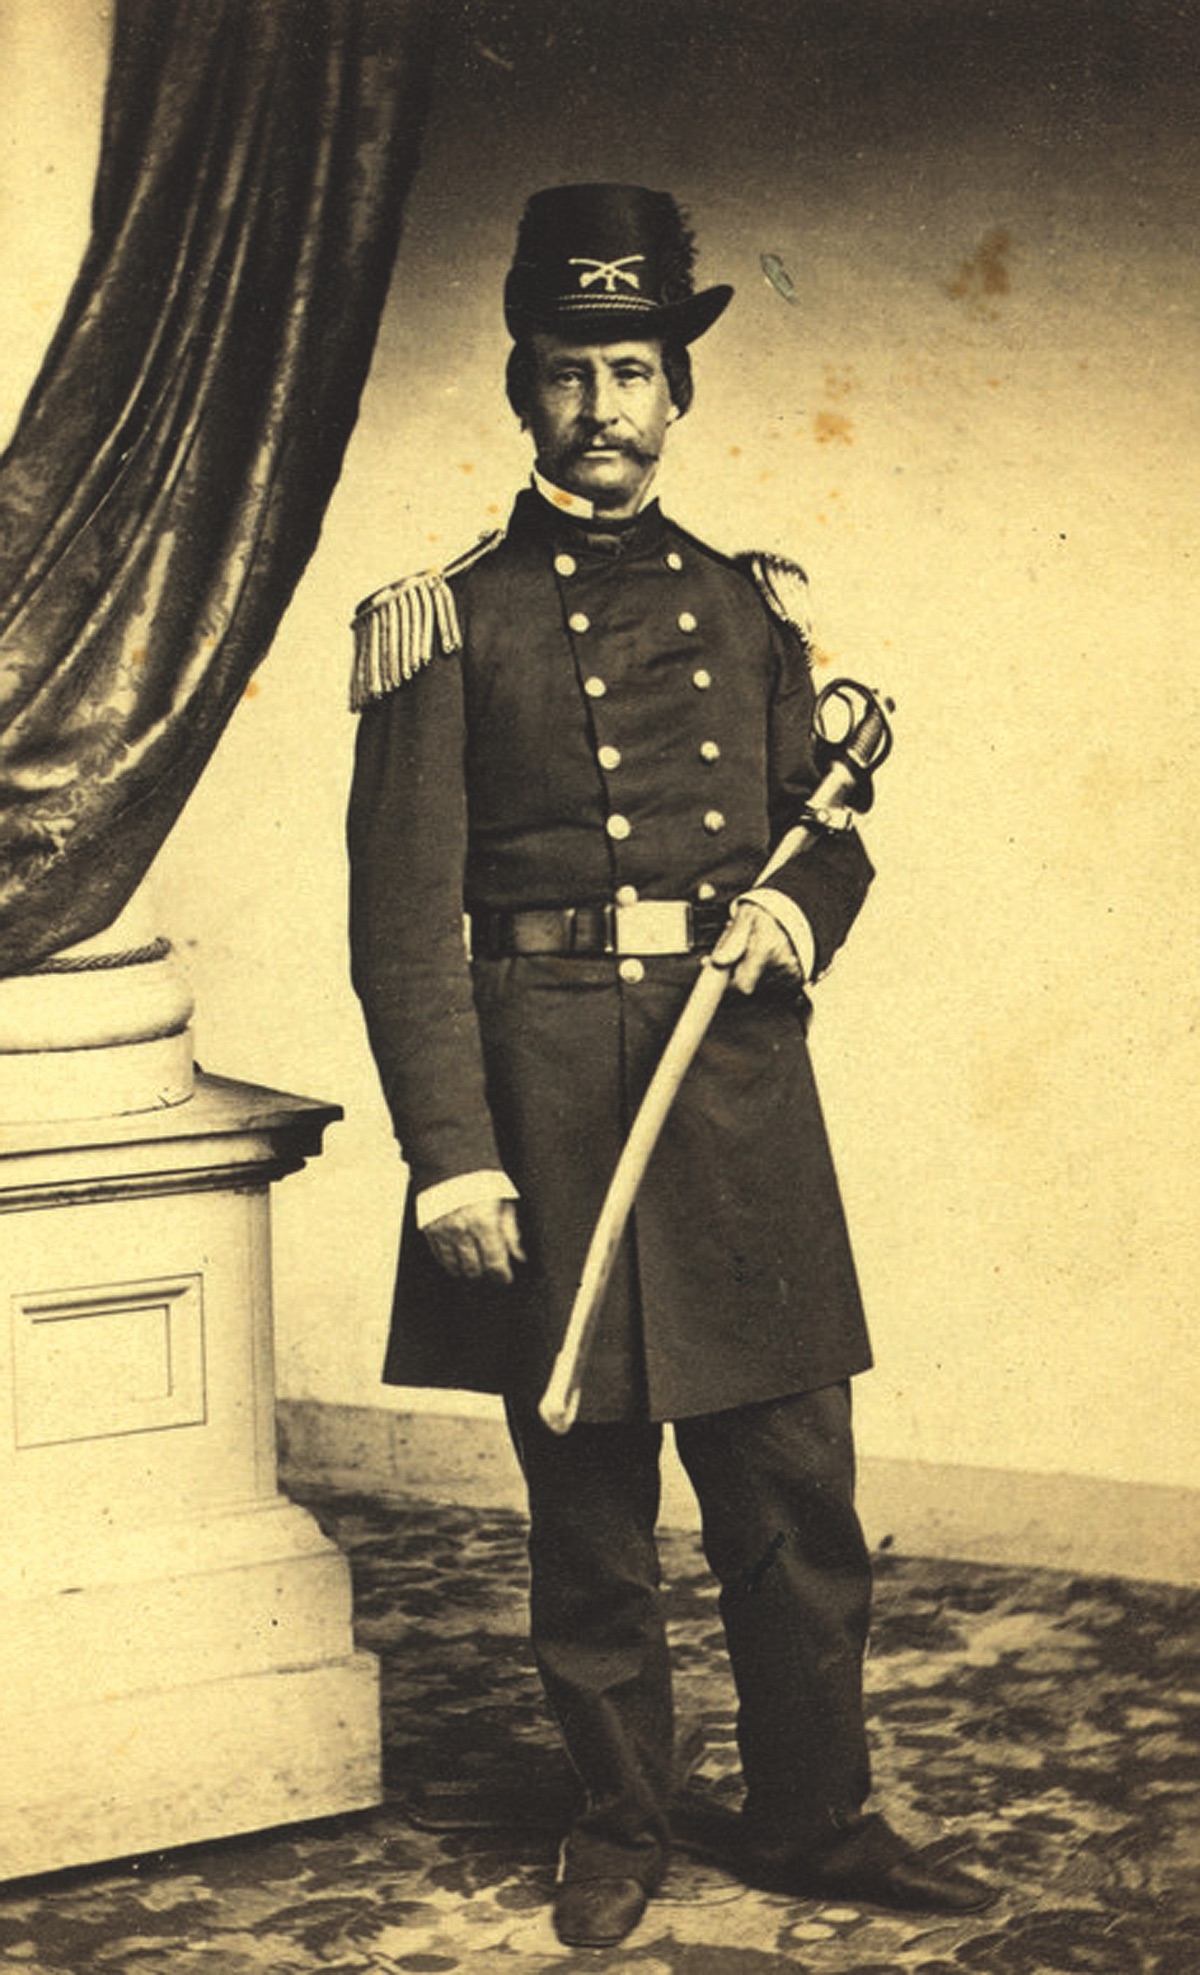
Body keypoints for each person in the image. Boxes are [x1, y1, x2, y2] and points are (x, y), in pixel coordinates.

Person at [347, 182, 992, 1949]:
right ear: (522, 388)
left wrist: (801, 915)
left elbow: (825, 837)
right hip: (549, 1103)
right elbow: (400, 922)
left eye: (633, 370)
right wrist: (451, 1153)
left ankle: (816, 1816)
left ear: (676, 391)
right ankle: (620, 1819)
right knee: (591, 1507)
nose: (603, 406)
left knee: (794, 1490)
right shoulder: (445, 621)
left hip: (734, 1094)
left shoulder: (750, 602)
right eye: (570, 371)